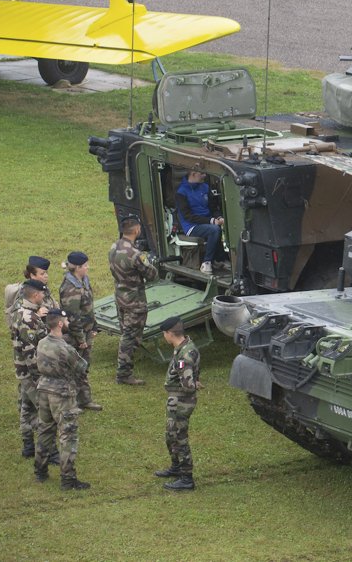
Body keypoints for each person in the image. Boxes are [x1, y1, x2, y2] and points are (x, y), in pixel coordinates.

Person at [34, 308, 90, 490]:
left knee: (45, 430)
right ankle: (68, 479)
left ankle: (40, 471)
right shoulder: (65, 348)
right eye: (65, 321)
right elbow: (82, 366)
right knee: (68, 435)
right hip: (62, 394)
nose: (67, 324)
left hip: (43, 390)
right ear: (59, 323)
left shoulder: (42, 342)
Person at [110, 217, 158, 386]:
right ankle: (124, 373)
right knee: (130, 337)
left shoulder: (114, 246)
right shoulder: (135, 254)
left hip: (120, 297)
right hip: (135, 301)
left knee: (126, 333)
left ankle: (124, 370)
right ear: (137, 230)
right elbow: (152, 275)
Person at [155, 315, 200, 491]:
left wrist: (194, 383)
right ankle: (176, 467)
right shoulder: (182, 347)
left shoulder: (185, 354)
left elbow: (188, 385)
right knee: (170, 435)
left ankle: (186, 478)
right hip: (176, 399)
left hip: (182, 400)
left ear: (169, 333)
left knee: (179, 437)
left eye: (163, 334)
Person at [59, 251, 102, 411]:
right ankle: (71, 403)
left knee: (83, 367)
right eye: (85, 266)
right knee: (73, 369)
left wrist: (94, 326)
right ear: (77, 268)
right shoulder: (71, 289)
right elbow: (73, 318)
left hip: (87, 331)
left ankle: (84, 400)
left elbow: (88, 308)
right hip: (77, 335)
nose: (88, 267)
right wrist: (81, 340)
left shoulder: (82, 280)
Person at [13, 279, 51, 460]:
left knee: (26, 409)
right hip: (32, 374)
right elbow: (31, 353)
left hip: (23, 373)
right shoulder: (29, 319)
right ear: (35, 295)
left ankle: (28, 447)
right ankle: (49, 453)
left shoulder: (21, 311)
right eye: (42, 293)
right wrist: (40, 378)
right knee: (45, 413)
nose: (44, 296)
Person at [176, 169, 225, 275]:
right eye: (202, 173)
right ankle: (206, 262)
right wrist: (211, 221)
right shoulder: (181, 192)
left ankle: (216, 259)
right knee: (214, 230)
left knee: (216, 228)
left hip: (208, 222)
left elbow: (213, 207)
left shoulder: (205, 187)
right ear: (193, 174)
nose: (204, 175)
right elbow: (188, 216)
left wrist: (219, 217)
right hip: (191, 226)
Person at [5, 255, 54, 328]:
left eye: (46, 272)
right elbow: (18, 317)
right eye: (42, 274)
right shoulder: (24, 293)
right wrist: (37, 315)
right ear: (32, 275)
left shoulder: (43, 288)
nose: (46, 276)